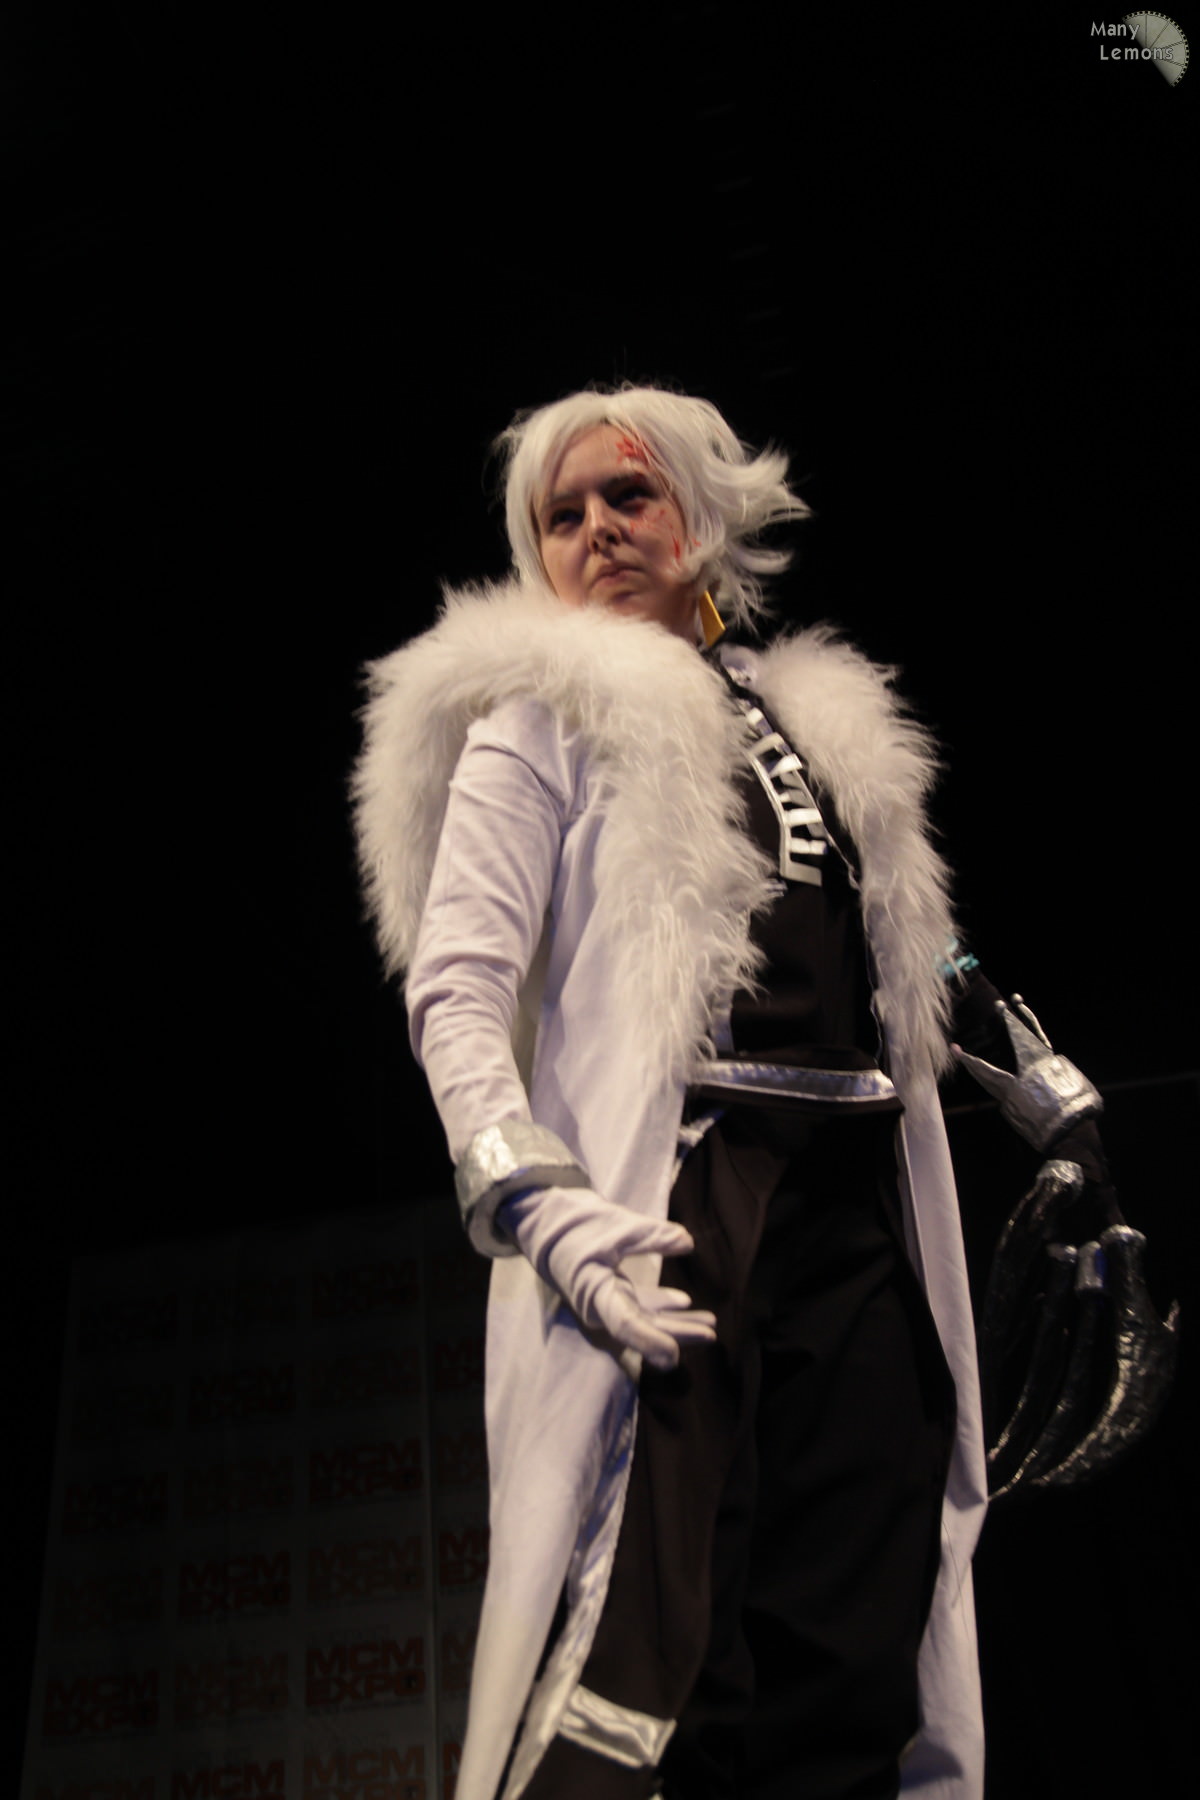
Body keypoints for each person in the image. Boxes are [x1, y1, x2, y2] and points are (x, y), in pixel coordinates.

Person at [353, 386, 1106, 1800]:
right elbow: (454, 987)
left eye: (627, 496)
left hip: (858, 1199)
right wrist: (533, 1194)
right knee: (656, 1616)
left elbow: (920, 948)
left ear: (699, 519)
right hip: (685, 1197)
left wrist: (1048, 1088)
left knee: (862, 1601)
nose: (596, 530)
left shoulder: (814, 718)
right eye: (562, 515)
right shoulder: (538, 720)